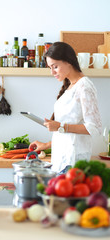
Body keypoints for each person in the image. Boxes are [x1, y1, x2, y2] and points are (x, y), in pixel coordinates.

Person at [29, 42, 102, 173]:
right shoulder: (70, 86)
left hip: (73, 163)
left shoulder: (84, 86)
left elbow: (94, 127)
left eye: (55, 67)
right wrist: (46, 145)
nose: (52, 72)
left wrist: (60, 126)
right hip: (62, 160)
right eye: (50, 68)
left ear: (68, 61)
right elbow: (67, 131)